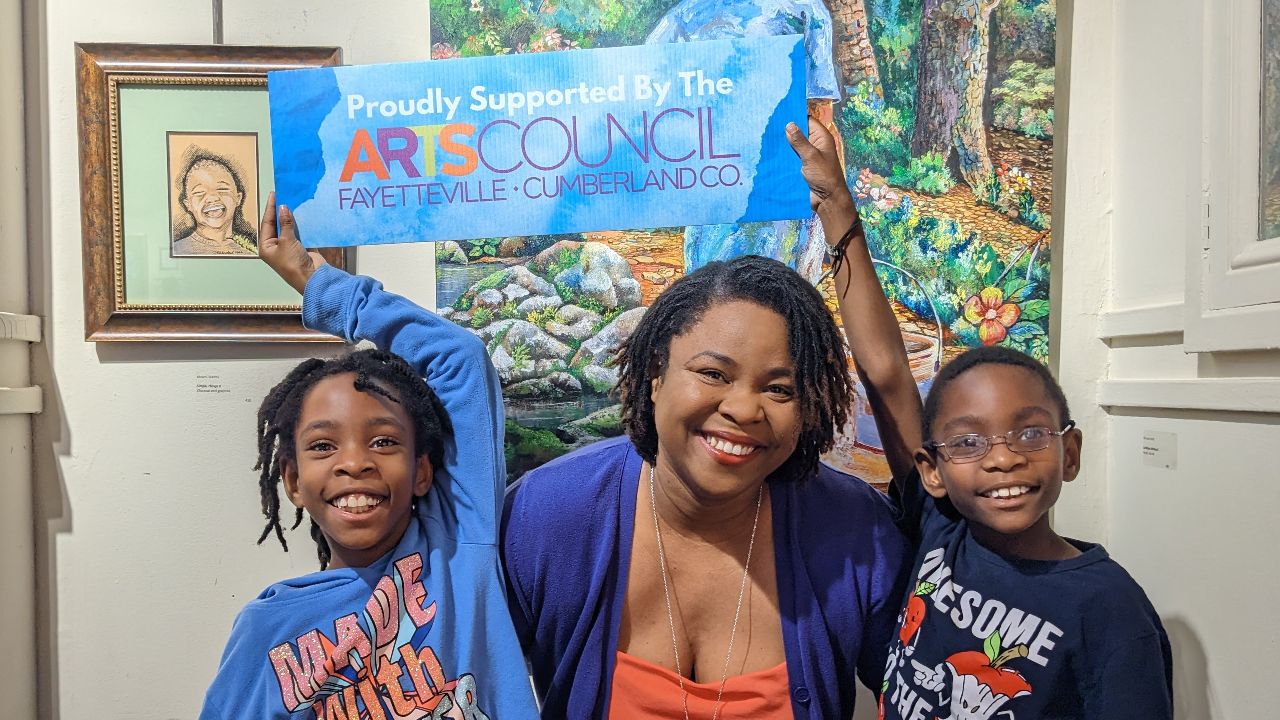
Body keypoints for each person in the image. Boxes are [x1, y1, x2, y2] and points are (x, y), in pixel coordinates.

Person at [499, 117, 913, 719]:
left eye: (779, 388)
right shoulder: (548, 517)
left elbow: (930, 689)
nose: (742, 408)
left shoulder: (854, 534)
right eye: (713, 374)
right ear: (655, 374)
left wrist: (837, 212)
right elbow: (458, 679)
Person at [199, 195, 539, 719]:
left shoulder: (456, 543)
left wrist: (315, 280)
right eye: (322, 446)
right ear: (292, 480)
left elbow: (460, 357)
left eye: (383, 442)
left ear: (422, 471)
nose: (355, 463)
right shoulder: (269, 630)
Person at [873, 344, 1175, 719]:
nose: (1003, 459)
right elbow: (886, 374)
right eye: (967, 442)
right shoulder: (940, 529)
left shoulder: (1110, 608)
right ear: (933, 472)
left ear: (1069, 454)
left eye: (1031, 434)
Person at [171, 150, 258, 256]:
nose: (212, 198)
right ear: (188, 204)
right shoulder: (178, 250)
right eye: (199, 192)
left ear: (238, 198)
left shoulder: (253, 252)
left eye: (222, 189)